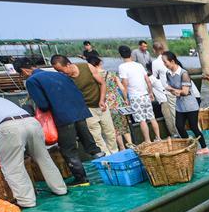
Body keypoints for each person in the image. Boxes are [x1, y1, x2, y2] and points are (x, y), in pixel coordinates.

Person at [15, 57, 101, 186]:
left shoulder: (32, 81)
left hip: (63, 117)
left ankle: (81, 179)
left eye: (21, 74)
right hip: (80, 113)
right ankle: (107, 164)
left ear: (23, 71)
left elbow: (43, 105)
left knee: (68, 150)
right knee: (90, 144)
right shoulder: (58, 74)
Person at [51, 54, 118, 155]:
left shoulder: (86, 67)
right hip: (87, 109)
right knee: (96, 136)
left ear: (68, 64)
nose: (61, 73)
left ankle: (116, 153)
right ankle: (107, 158)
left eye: (61, 70)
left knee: (110, 133)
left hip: (100, 104)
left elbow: (102, 83)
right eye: (58, 71)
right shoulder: (65, 78)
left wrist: (102, 100)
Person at [163, 52, 209, 155]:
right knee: (179, 126)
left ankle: (205, 147)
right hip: (179, 105)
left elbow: (185, 91)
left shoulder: (184, 73)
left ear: (172, 61)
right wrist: (174, 91)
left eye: (165, 62)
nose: (164, 64)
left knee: (194, 127)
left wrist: (172, 89)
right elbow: (174, 90)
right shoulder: (168, 73)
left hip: (190, 105)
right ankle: (190, 146)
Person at [89, 56, 133, 150]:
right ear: (100, 63)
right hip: (118, 101)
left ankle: (122, 148)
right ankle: (131, 144)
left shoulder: (94, 76)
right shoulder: (112, 73)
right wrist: (125, 99)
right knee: (124, 125)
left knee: (114, 128)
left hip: (106, 103)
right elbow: (122, 88)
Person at [118, 45, 159, 143]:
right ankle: (158, 138)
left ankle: (148, 140)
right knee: (152, 117)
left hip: (135, 97)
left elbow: (125, 84)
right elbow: (148, 80)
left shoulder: (122, 67)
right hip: (145, 95)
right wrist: (150, 92)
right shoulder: (139, 65)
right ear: (131, 53)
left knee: (142, 120)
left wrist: (125, 98)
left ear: (121, 55)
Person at [150, 42, 178, 137]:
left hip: (165, 93)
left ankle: (175, 135)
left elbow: (154, 78)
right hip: (175, 90)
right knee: (176, 113)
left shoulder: (155, 62)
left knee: (168, 116)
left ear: (154, 50)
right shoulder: (171, 59)